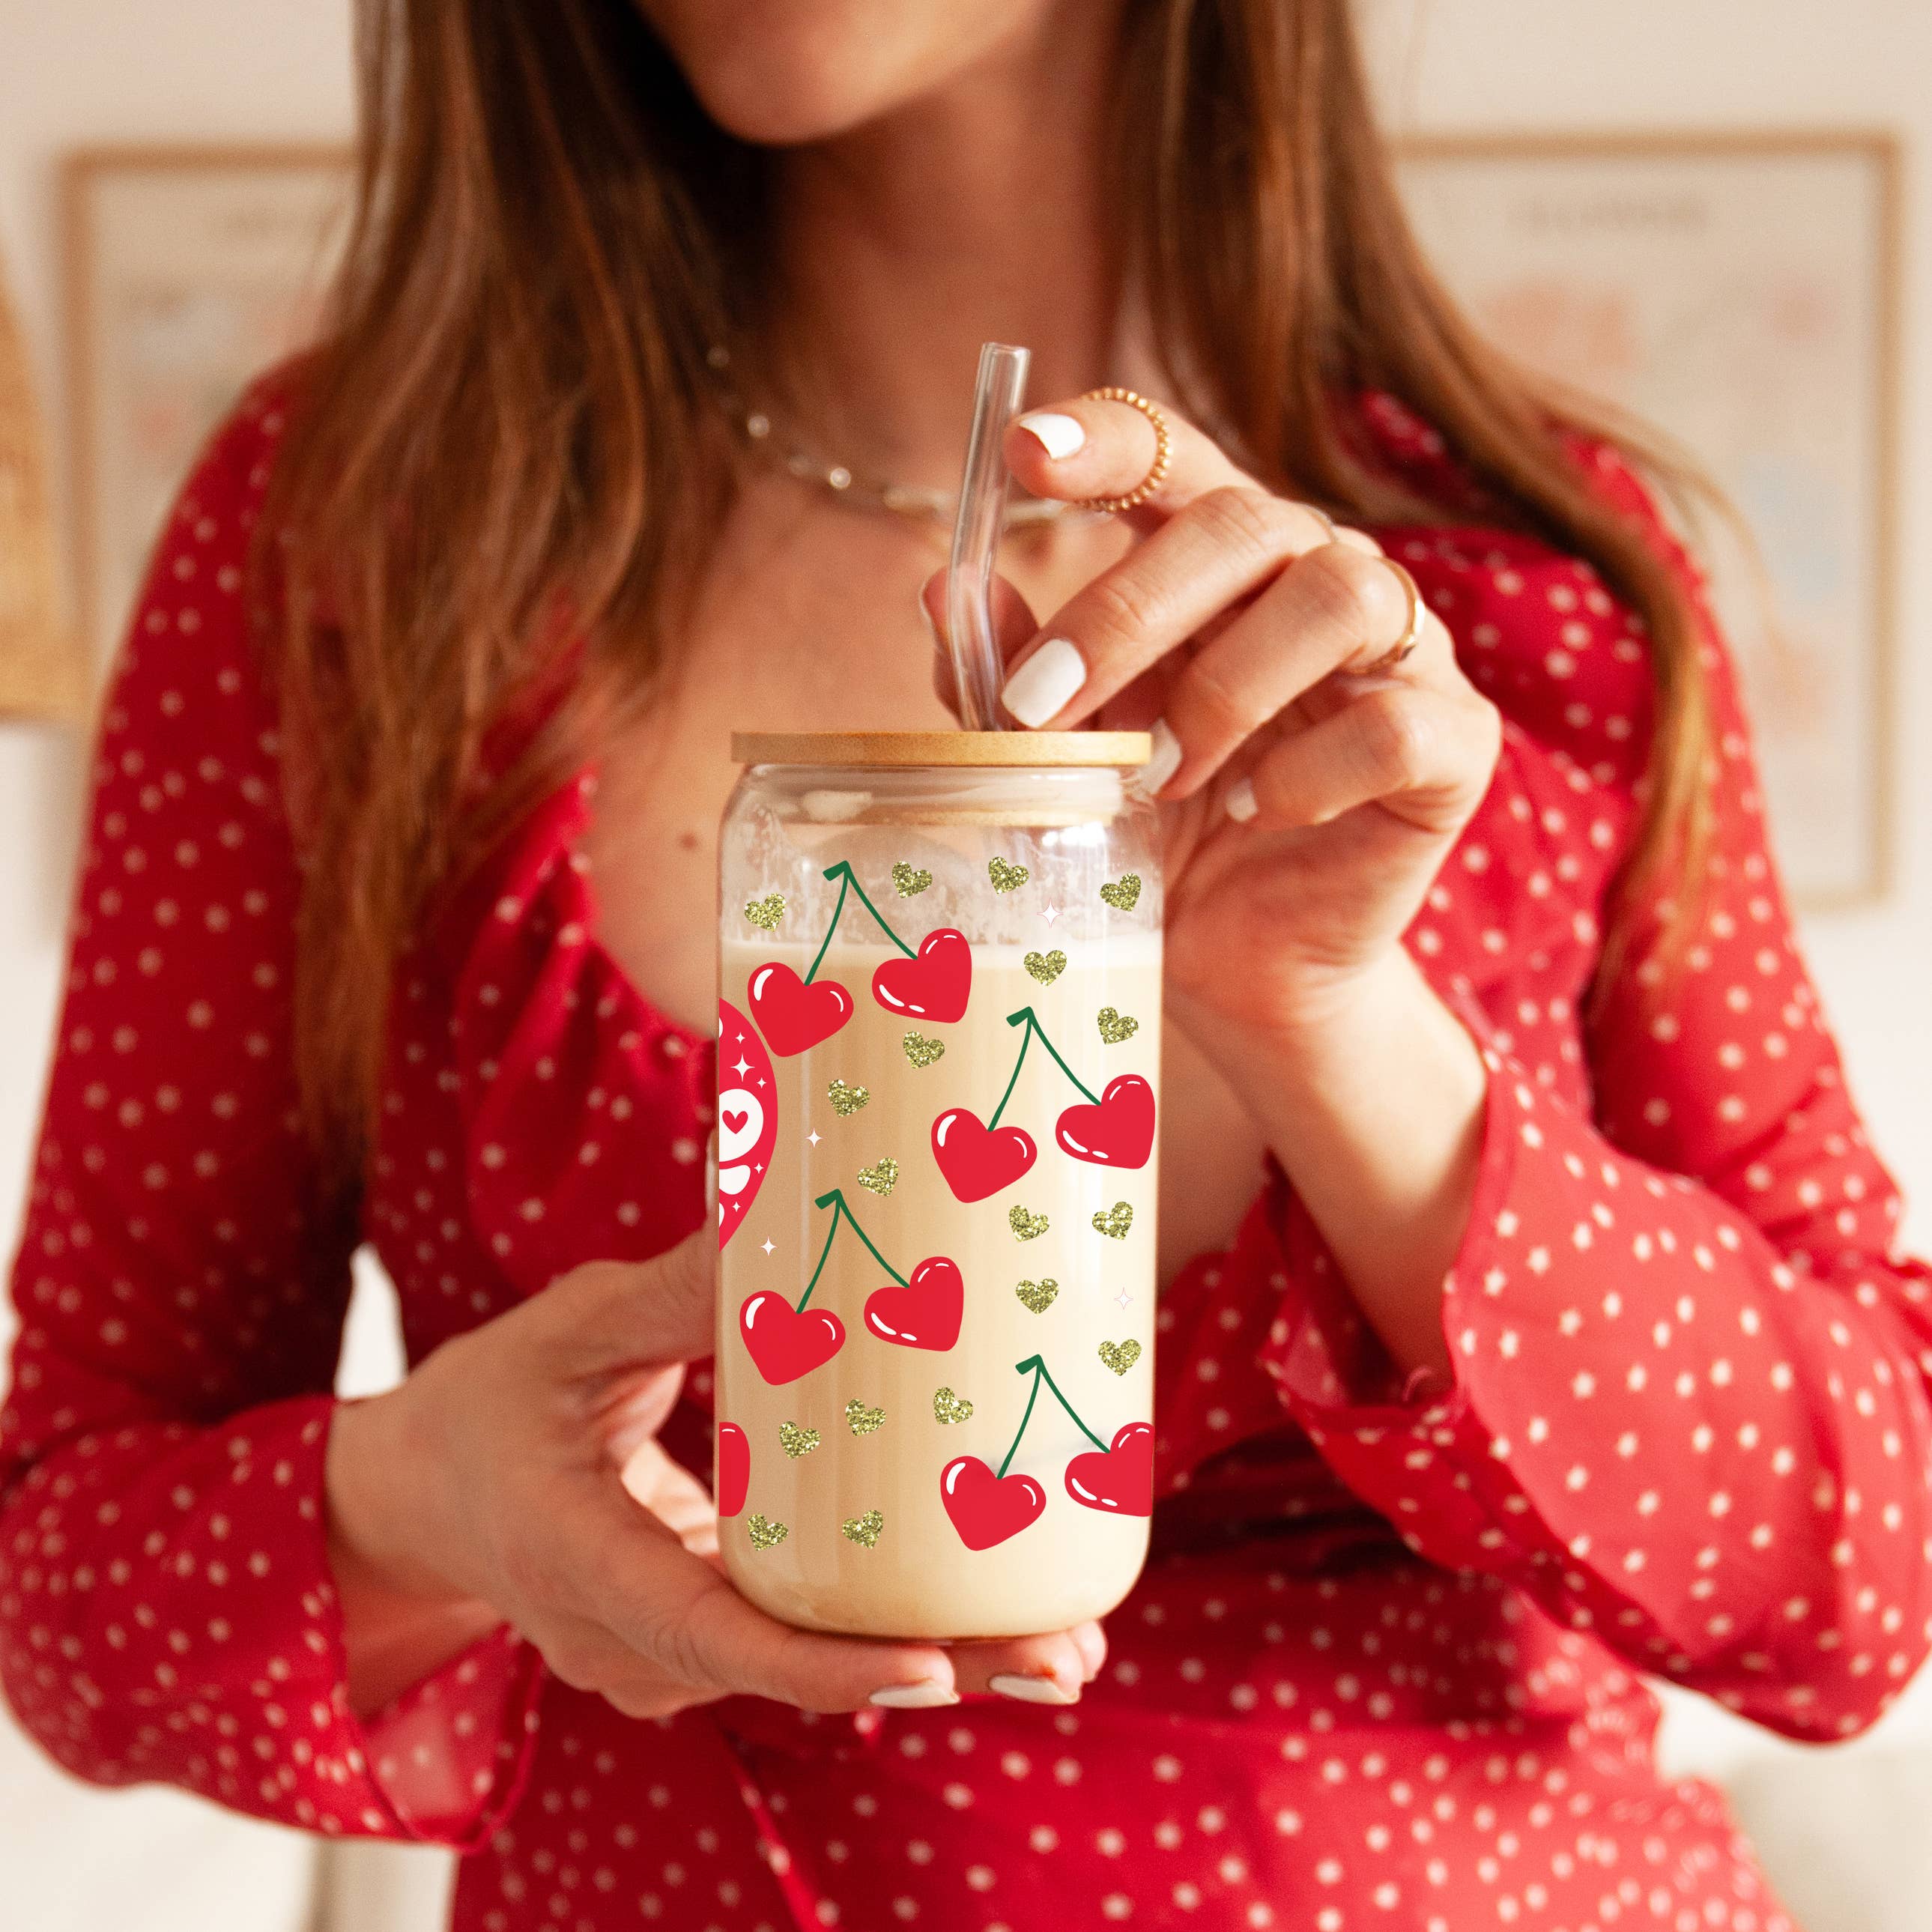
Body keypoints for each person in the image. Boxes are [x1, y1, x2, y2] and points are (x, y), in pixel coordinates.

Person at [4, 2, 1928, 1927]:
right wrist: (434, 1496)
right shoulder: (359, 552)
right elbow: (60, 1578)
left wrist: (1337, 1027)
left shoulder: (1537, 596)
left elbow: (1876, 1574)